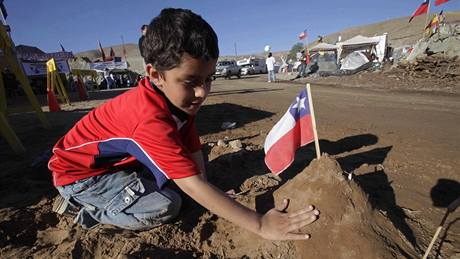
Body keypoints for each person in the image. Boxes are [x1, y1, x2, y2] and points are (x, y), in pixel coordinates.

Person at [49, 8, 319, 239]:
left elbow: (192, 152)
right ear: (155, 74)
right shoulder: (147, 118)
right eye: (191, 81)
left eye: (209, 79)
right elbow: (191, 185)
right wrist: (260, 224)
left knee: (180, 183)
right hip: (81, 177)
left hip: (118, 162)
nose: (202, 92)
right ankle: (85, 211)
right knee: (166, 204)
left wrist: (207, 189)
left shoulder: (177, 102)